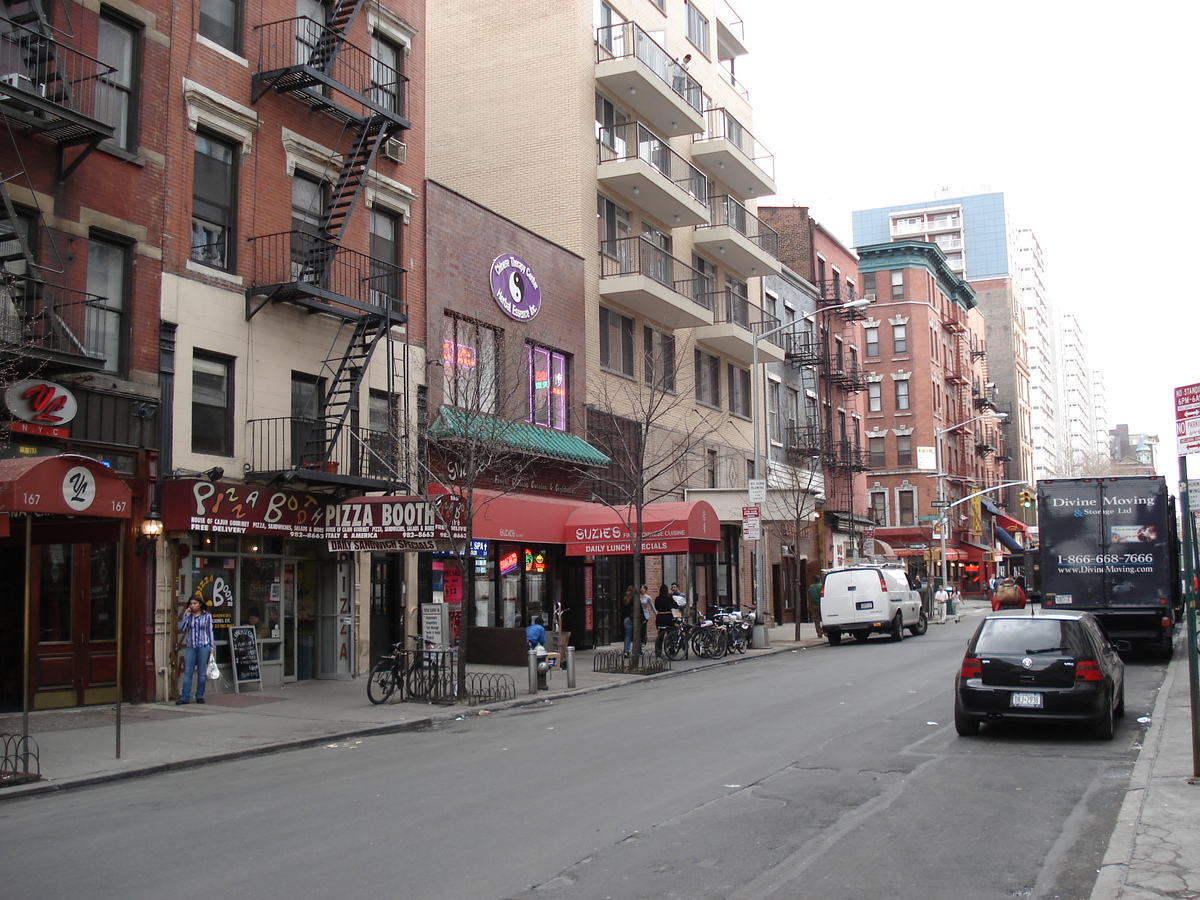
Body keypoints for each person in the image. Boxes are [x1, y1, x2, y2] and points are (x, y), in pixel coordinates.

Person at [177, 594, 214, 705]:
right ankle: (185, 697)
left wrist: (212, 647)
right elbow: (181, 628)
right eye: (191, 604)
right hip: (191, 646)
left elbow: (209, 631)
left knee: (201, 672)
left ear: (200, 604)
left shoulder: (206, 616)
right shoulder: (189, 615)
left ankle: (199, 695)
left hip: (203, 645)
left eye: (195, 603)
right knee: (188, 672)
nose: (192, 606)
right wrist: (186, 615)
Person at [653, 584, 677, 655]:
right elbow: (675, 605)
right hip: (668, 617)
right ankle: (671, 649)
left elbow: (656, 607)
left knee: (661, 634)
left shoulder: (657, 598)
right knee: (670, 633)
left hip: (660, 617)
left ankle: (658, 650)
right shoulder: (669, 598)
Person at [620, 585, 637, 655]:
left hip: (626, 619)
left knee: (627, 636)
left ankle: (626, 651)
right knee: (636, 635)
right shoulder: (634, 599)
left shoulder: (624, 598)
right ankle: (636, 650)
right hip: (632, 618)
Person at [639, 584, 653, 649]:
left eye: (643, 588)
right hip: (639, 614)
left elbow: (652, 606)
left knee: (643, 628)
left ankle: (642, 640)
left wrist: (656, 614)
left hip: (645, 614)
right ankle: (640, 641)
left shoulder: (647, 597)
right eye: (641, 588)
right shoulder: (638, 597)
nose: (642, 589)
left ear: (645, 590)